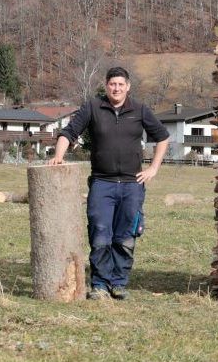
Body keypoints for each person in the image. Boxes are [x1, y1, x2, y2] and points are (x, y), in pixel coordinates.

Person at [48, 66, 170, 301]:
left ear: (128, 87)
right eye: (112, 84)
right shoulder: (93, 107)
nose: (116, 88)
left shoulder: (140, 109)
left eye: (120, 84)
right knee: (100, 233)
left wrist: (153, 168)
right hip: (102, 184)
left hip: (132, 184)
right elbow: (69, 132)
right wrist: (59, 156)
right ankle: (100, 284)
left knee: (125, 235)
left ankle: (119, 283)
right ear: (106, 85)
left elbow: (163, 136)